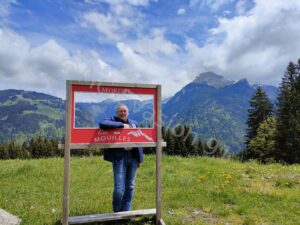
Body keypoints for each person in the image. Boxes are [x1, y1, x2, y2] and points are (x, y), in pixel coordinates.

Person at [99, 103, 143, 212]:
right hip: (119, 157)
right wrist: (122, 126)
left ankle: (126, 213)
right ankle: (117, 211)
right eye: (120, 111)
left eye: (125, 111)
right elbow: (102, 124)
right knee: (119, 188)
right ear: (117, 113)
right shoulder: (112, 120)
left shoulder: (134, 123)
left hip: (133, 156)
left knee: (130, 186)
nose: (123, 113)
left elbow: (139, 141)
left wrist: (140, 159)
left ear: (128, 112)